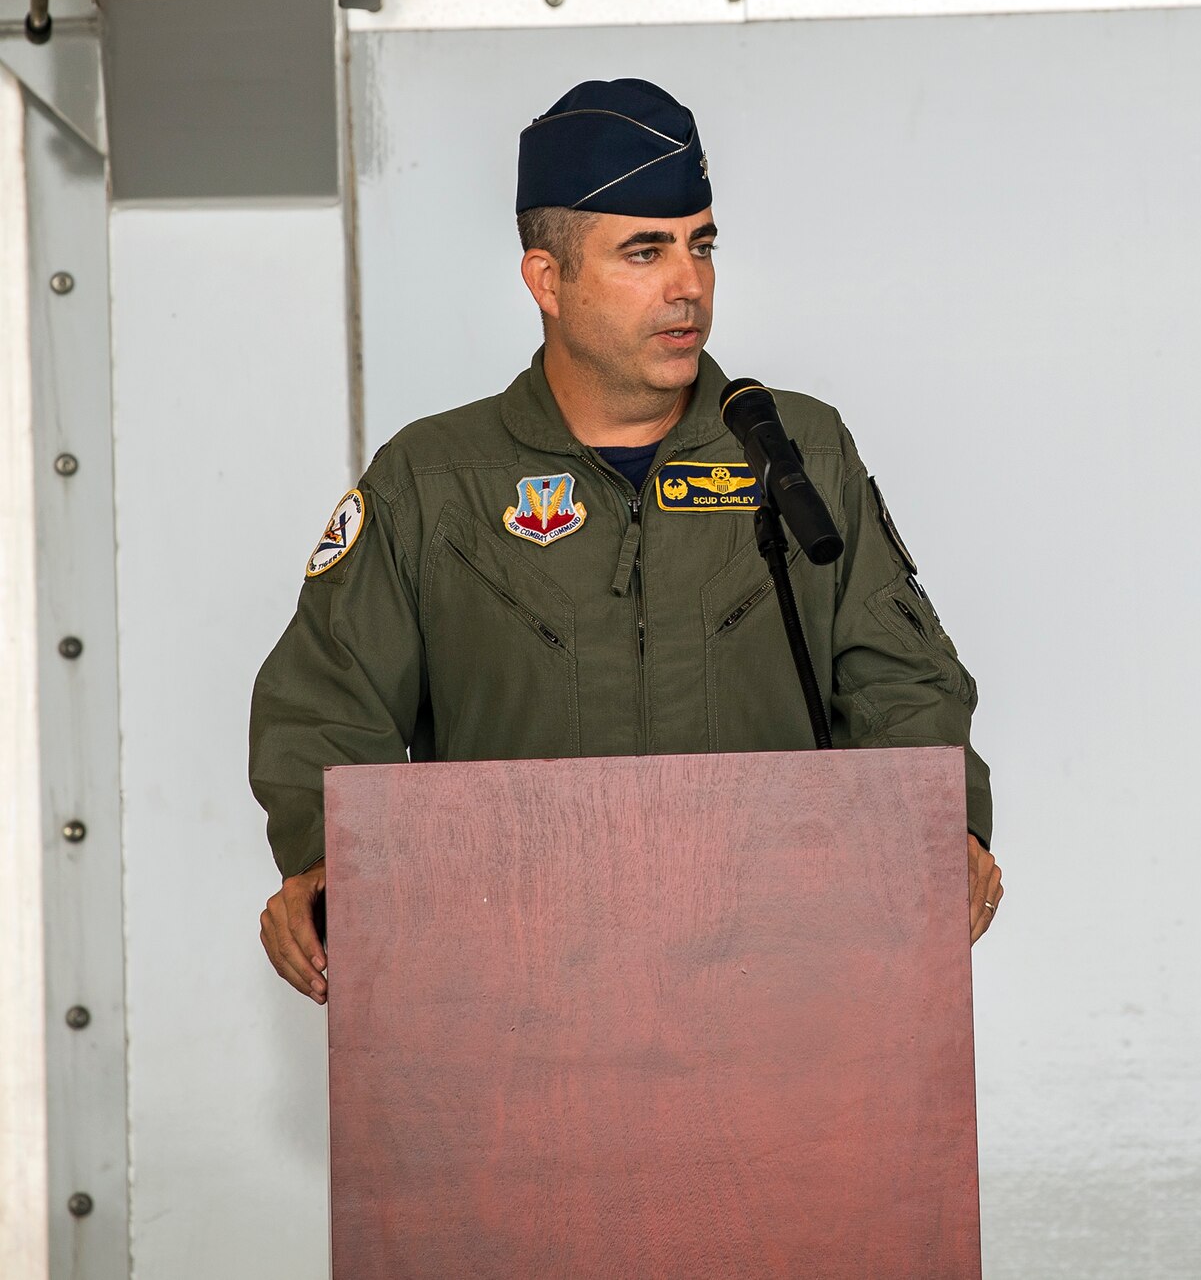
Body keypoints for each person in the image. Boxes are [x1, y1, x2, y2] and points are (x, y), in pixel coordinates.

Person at [249, 78, 1000, 1005]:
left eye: (701, 244)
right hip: (516, 995)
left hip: (778, 982)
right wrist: (328, 863)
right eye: (645, 252)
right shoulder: (434, 481)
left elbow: (903, 683)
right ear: (546, 279)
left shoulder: (796, 452)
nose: (689, 285)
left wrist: (947, 828)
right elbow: (325, 704)